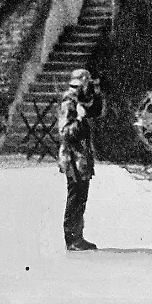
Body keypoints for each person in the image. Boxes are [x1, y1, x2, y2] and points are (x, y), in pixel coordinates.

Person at [58, 68, 103, 251]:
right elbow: (65, 131)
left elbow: (96, 111)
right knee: (75, 197)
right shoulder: (69, 101)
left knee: (81, 197)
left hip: (81, 158)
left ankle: (78, 237)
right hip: (72, 158)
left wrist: (96, 95)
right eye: (87, 83)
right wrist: (79, 120)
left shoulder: (80, 99)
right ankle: (72, 239)